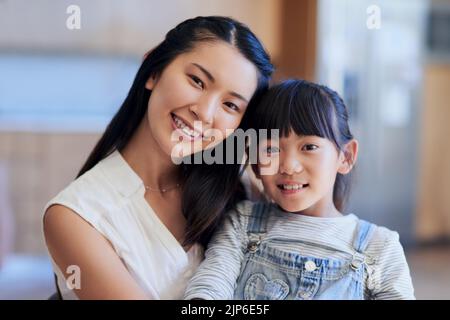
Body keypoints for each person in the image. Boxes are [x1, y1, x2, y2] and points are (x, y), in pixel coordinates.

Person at [43, 16, 273, 300]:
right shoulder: (76, 217)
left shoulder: (241, 190)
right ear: (153, 71)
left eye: (230, 105)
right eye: (197, 81)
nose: (205, 112)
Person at [184, 79, 415, 300]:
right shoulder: (242, 222)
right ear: (255, 163)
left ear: (345, 156)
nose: (288, 166)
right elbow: (211, 285)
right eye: (271, 149)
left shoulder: (380, 248)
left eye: (309, 147)